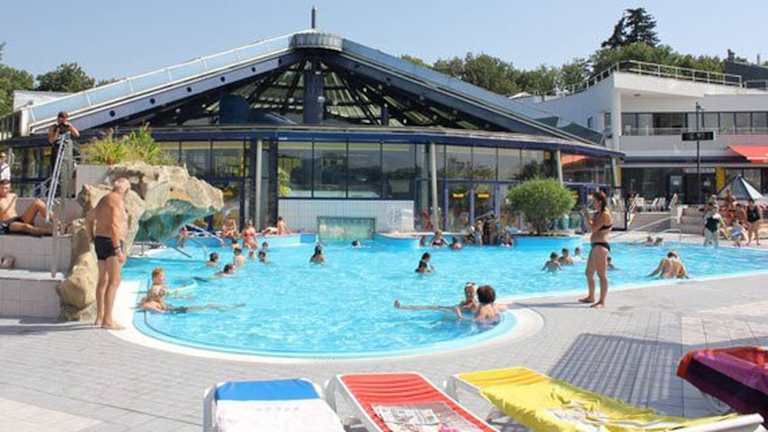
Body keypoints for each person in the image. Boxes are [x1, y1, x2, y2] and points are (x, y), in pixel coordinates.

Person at [85, 177, 130, 330]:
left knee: (102, 281)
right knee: (114, 281)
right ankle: (108, 320)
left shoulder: (104, 199)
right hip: (112, 242)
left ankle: (99, 317)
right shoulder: (117, 201)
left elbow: (88, 218)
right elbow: (114, 226)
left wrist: (91, 237)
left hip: (100, 240)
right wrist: (118, 250)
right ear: (125, 190)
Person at [580, 191, 612, 308]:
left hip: (601, 245)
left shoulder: (605, 214)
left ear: (599, 201)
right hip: (595, 246)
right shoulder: (598, 214)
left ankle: (602, 302)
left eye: (593, 200)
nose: (592, 203)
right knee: (588, 273)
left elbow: (593, 228)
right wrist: (587, 216)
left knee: (601, 275)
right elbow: (590, 226)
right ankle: (591, 297)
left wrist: (586, 215)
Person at [394, 282, 479, 314]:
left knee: (430, 307)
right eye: (466, 292)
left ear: (475, 293)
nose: (468, 294)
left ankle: (402, 307)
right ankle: (402, 307)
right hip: (448, 309)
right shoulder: (463, 302)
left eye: (471, 292)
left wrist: (459, 316)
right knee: (429, 307)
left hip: (450, 312)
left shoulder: (474, 305)